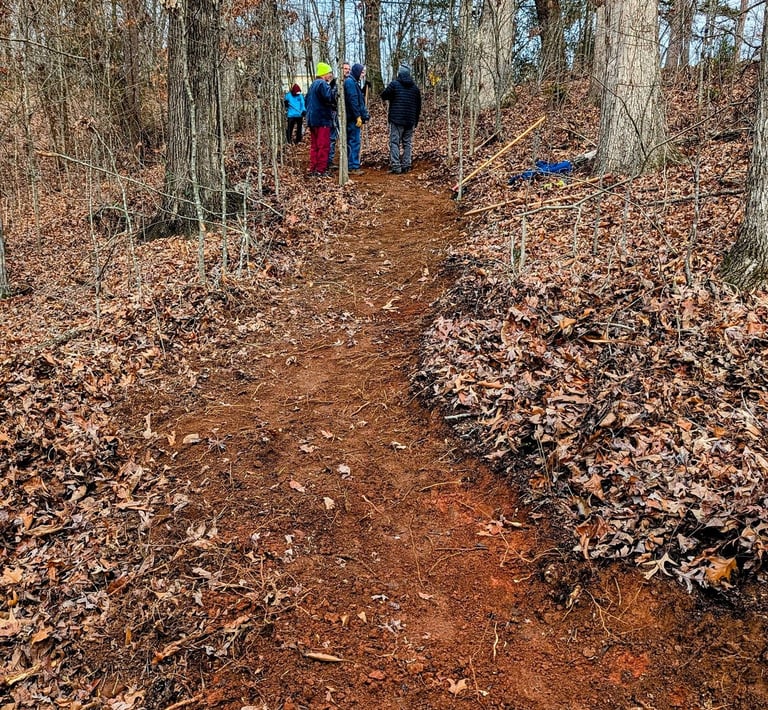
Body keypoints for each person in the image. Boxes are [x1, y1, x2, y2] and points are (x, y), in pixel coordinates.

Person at [380, 62, 422, 174]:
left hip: (396, 119)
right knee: (407, 143)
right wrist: (416, 121)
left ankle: (396, 166)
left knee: (394, 142)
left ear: (399, 73)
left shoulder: (394, 84)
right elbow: (418, 107)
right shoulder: (415, 89)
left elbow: (384, 95)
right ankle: (406, 165)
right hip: (410, 121)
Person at [305, 62, 338, 177]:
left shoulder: (313, 85)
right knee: (323, 145)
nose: (330, 75)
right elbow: (330, 98)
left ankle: (313, 168)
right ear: (324, 73)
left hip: (312, 120)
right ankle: (321, 170)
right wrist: (335, 90)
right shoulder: (322, 84)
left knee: (315, 146)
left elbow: (306, 100)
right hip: (322, 119)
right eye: (329, 73)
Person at [344, 63, 370, 175]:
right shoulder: (350, 82)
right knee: (354, 141)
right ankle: (353, 166)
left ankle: (352, 165)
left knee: (354, 141)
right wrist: (357, 116)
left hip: (353, 116)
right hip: (352, 118)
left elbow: (358, 98)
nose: (363, 75)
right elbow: (353, 100)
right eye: (362, 72)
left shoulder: (353, 82)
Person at [328, 62, 350, 171]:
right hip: (335, 112)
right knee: (333, 137)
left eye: (348, 69)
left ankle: (347, 160)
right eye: (345, 68)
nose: (347, 70)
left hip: (347, 113)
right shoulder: (336, 82)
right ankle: (329, 160)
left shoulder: (350, 81)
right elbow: (331, 97)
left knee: (346, 137)